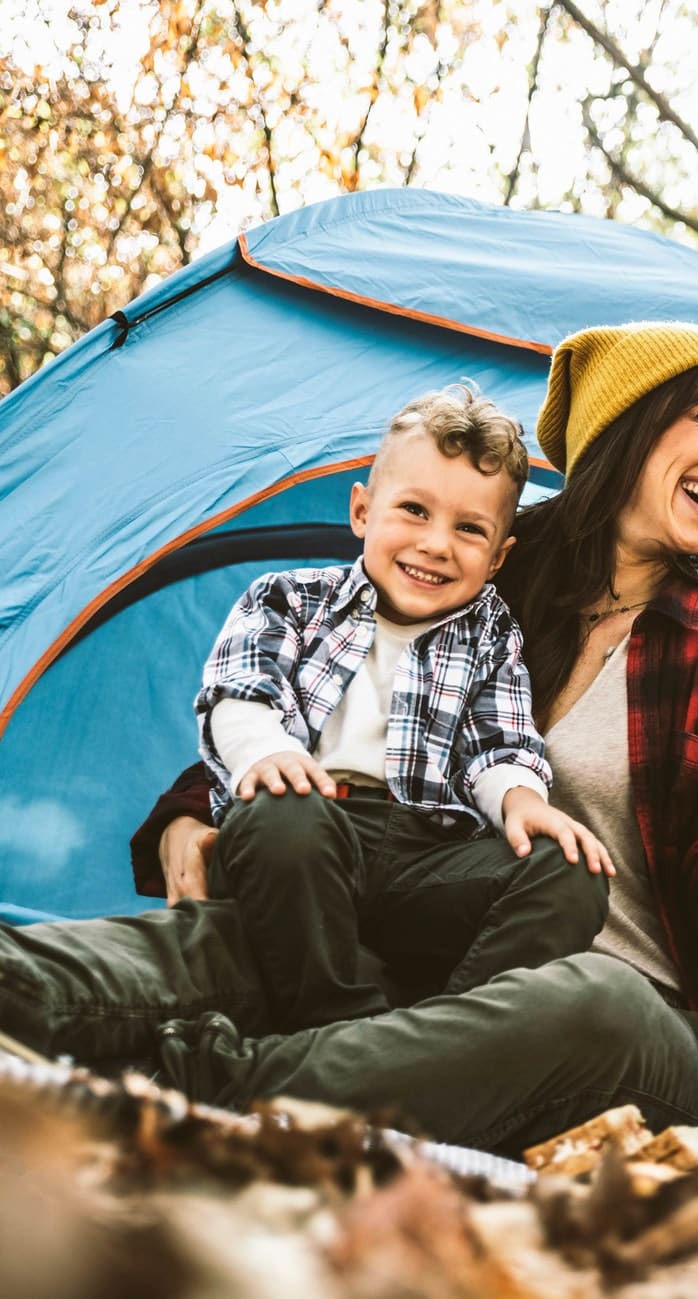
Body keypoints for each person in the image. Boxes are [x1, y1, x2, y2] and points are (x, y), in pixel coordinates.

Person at [0, 322, 698, 1150]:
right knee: (211, 939)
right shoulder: (482, 573)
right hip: (396, 945)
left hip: (607, 1006)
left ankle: (205, 1082)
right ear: (625, 428)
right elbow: (306, 700)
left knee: (597, 1005)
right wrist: (192, 810)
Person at [195, 384, 609, 1033]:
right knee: (280, 820)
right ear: (362, 510)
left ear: (499, 556)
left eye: (470, 529)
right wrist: (268, 752)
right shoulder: (289, 599)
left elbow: (499, 745)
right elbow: (241, 694)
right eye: (414, 510)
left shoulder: (490, 634)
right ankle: (343, 1027)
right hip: (310, 830)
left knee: (569, 872)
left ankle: (437, 1042)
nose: (437, 543)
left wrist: (523, 799)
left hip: (426, 857)